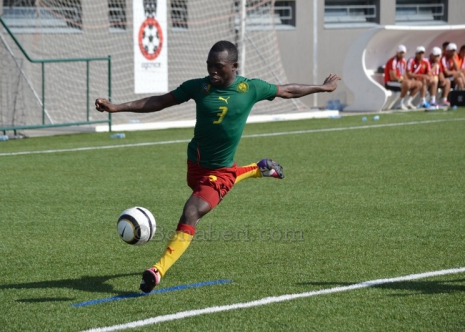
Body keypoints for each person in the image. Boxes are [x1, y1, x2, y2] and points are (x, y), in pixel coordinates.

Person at [95, 40, 341, 293]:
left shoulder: (250, 88)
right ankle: (259, 168)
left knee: (191, 212)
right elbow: (159, 101)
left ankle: (157, 271)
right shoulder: (198, 87)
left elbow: (287, 90)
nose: (212, 71)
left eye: (218, 67)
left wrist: (322, 88)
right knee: (199, 191)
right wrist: (117, 107)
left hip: (219, 172)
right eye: (209, 65)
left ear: (234, 66)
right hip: (195, 165)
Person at [383, 44, 421, 110]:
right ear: (397, 52)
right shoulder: (393, 61)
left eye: (403, 53)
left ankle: (408, 102)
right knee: (407, 83)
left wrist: (409, 80)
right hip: (390, 82)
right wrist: (404, 81)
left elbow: (404, 74)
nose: (402, 55)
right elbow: (393, 77)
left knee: (419, 84)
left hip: (399, 81)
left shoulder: (403, 61)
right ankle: (400, 103)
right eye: (400, 53)